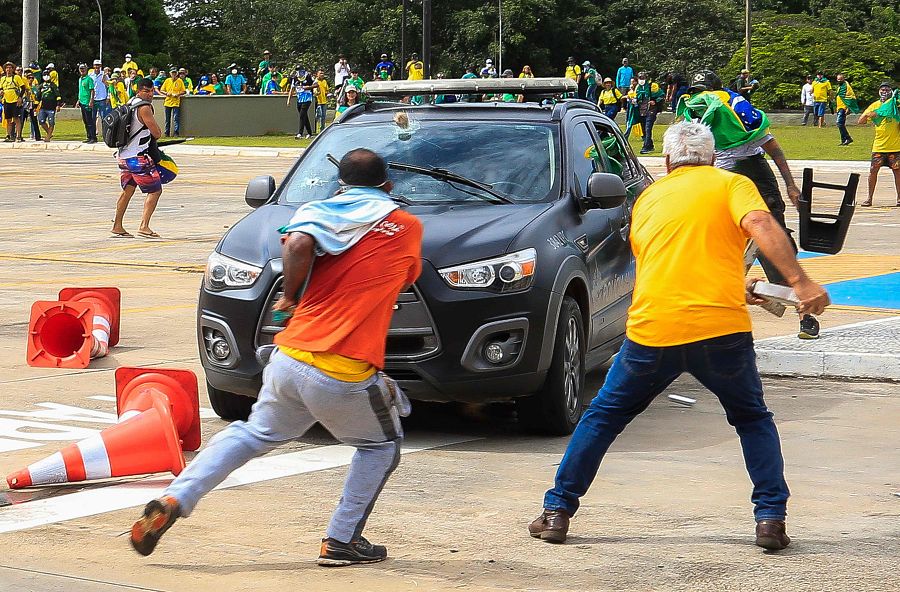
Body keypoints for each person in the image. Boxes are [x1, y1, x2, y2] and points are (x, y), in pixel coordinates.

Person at [528, 121, 830, 551]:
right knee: (751, 419)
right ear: (710, 157)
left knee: (602, 419)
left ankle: (557, 511)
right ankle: (770, 520)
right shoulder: (731, 184)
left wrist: (737, 283)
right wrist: (799, 282)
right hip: (720, 332)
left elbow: (670, 262)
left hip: (655, 332)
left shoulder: (648, 198)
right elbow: (760, 222)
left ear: (668, 162)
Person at [129, 148, 423, 567]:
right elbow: (407, 275)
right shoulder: (405, 225)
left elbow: (299, 241)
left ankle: (177, 496)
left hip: (289, 357)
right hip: (342, 369)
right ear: (388, 187)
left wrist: (289, 293)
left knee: (253, 433)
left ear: (341, 185)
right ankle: (341, 540)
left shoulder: (320, 215)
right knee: (381, 448)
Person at [678, 70, 818, 339]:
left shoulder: (740, 117)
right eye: (696, 93)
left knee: (775, 247)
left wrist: (790, 185)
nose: (700, 99)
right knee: (717, 248)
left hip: (754, 176)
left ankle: (806, 315)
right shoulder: (696, 122)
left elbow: (774, 149)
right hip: (720, 180)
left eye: (703, 92)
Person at [110, 77, 164, 239]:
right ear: (138, 90)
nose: (149, 94)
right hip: (137, 157)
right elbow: (157, 133)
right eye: (146, 91)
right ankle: (144, 226)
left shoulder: (131, 103)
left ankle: (117, 226)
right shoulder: (144, 107)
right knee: (155, 190)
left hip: (123, 156)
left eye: (151, 90)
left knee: (128, 190)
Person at [857, 82, 900, 207]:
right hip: (879, 146)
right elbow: (861, 121)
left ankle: (899, 198)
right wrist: (874, 114)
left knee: (898, 172)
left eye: (887, 89)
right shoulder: (875, 105)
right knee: (873, 171)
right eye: (882, 90)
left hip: (895, 146)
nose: (884, 92)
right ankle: (869, 198)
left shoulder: (896, 105)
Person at [635, 72, 663, 153]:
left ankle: (646, 147)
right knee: (643, 129)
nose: (641, 79)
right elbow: (635, 97)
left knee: (648, 128)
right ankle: (650, 145)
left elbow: (661, 95)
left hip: (651, 110)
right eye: (640, 78)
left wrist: (654, 101)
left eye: (643, 78)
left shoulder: (652, 86)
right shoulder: (637, 88)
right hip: (641, 111)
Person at [1, 62, 26, 142]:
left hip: (15, 100)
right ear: (5, 69)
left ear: (12, 69)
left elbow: (23, 88)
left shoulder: (16, 78)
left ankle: (18, 136)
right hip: (6, 100)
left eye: (10, 68)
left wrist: (20, 97)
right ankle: (8, 135)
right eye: (7, 68)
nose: (8, 69)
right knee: (8, 119)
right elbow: (1, 88)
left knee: (16, 118)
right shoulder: (3, 79)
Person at [160, 68, 187, 137]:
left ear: (177, 73)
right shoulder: (167, 80)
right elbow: (161, 90)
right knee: (167, 119)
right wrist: (166, 93)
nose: (174, 74)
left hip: (176, 102)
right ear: (170, 73)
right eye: (172, 73)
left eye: (175, 73)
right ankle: (167, 133)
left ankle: (176, 133)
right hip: (168, 102)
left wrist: (177, 94)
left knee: (176, 118)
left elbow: (184, 91)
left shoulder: (180, 81)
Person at [834, 73, 859, 147]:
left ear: (843, 79)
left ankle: (848, 138)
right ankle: (843, 140)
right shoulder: (840, 87)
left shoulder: (847, 87)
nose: (839, 81)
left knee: (839, 123)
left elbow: (851, 98)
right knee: (840, 124)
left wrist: (848, 108)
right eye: (838, 79)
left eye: (840, 79)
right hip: (839, 107)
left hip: (843, 108)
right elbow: (840, 97)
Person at [290, 67, 315, 139]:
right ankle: (309, 133)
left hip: (307, 98)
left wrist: (308, 87)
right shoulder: (295, 78)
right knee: (304, 116)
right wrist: (289, 99)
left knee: (302, 115)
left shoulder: (308, 76)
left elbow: (316, 85)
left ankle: (300, 133)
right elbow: (292, 88)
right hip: (299, 99)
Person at [74, 63, 96, 143]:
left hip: (87, 102)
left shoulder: (89, 79)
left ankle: (93, 137)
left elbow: (92, 90)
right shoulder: (80, 79)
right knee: (85, 120)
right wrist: (78, 100)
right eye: (81, 69)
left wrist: (91, 101)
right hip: (82, 101)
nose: (82, 70)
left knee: (90, 120)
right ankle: (89, 136)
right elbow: (80, 91)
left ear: (86, 69)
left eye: (83, 69)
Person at [36, 69, 61, 141]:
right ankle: (49, 134)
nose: (46, 76)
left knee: (51, 122)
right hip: (43, 107)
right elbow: (38, 97)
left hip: (51, 107)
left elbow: (58, 96)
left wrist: (58, 105)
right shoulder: (41, 86)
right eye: (44, 75)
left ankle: (48, 137)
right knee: (41, 121)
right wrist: (35, 106)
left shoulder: (53, 85)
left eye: (47, 75)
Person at [90, 59, 111, 124]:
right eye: (96, 65)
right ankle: (92, 133)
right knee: (92, 118)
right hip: (94, 99)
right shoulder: (90, 75)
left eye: (98, 65)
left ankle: (105, 133)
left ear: (100, 66)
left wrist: (108, 97)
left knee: (104, 118)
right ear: (93, 66)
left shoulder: (104, 75)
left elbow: (109, 86)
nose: (97, 67)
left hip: (102, 98)